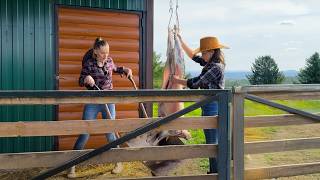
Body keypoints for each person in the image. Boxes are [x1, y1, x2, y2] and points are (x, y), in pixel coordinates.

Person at [68, 37, 133, 178]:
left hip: (109, 101)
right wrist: (86, 79)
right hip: (93, 102)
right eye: (103, 53)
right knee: (85, 133)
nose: (106, 55)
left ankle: (118, 162)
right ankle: (71, 166)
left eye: (108, 52)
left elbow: (115, 69)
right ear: (96, 51)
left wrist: (125, 69)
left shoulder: (109, 61)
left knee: (110, 133)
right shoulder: (89, 64)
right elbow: (80, 80)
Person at [172, 35, 229, 174]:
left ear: (211, 52)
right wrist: (180, 40)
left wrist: (177, 81)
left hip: (214, 106)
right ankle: (214, 172)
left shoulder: (216, 67)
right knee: (211, 140)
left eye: (204, 52)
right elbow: (193, 56)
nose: (202, 55)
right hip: (209, 105)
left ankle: (216, 173)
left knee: (212, 142)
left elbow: (197, 82)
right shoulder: (210, 63)